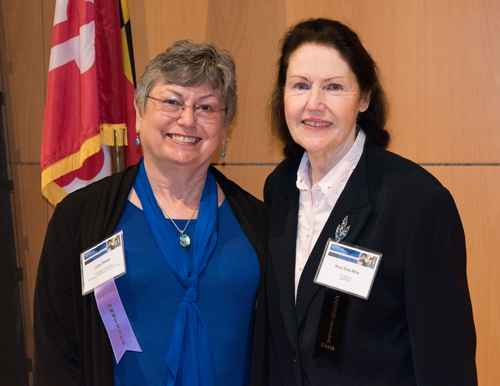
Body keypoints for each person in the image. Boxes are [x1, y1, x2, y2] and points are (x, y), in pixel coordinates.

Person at [34, 40, 268, 386]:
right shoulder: (80, 219)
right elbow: (56, 350)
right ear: (139, 114)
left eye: (206, 107)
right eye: (172, 101)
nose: (187, 119)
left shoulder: (259, 222)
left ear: (224, 127)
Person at [264, 18, 477, 385]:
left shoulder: (417, 203)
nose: (314, 103)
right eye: (300, 85)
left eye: (333, 87)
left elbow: (446, 361)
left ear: (364, 97)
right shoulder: (278, 188)